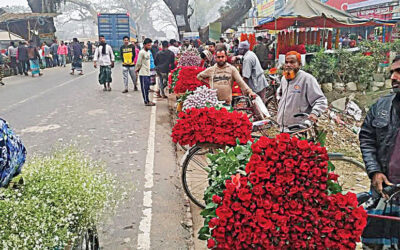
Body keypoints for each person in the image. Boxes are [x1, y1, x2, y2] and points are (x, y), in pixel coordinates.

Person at [359, 55, 400, 250]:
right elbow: (366, 137)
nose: (394, 77)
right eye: (392, 72)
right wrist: (374, 171)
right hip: (383, 191)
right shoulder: (381, 106)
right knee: (375, 243)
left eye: (399, 71)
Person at [277, 51, 327, 131]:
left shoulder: (307, 79)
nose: (288, 65)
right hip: (282, 127)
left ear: (299, 65)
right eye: (286, 62)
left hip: (299, 127)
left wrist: (314, 113)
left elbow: (320, 100)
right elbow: (280, 94)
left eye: (292, 62)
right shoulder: (284, 79)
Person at [136, 38, 155, 106]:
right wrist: (137, 70)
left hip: (148, 72)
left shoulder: (148, 52)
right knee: (144, 88)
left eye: (150, 45)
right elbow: (138, 63)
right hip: (143, 73)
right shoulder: (141, 52)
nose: (150, 46)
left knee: (147, 87)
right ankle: (146, 101)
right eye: (148, 45)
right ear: (144, 45)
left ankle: (148, 100)